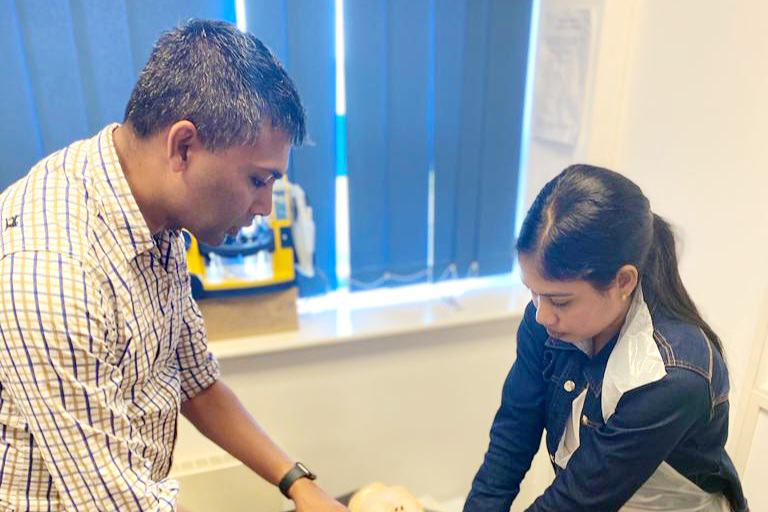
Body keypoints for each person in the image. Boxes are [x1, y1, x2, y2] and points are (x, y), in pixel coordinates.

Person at [0, 19, 347, 512]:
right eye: (257, 180)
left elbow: (194, 380)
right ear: (183, 147)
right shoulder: (54, 273)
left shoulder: (153, 210)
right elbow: (117, 504)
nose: (265, 207)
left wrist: (299, 484)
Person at [464, 165, 748, 511]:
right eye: (533, 292)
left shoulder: (672, 375)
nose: (541, 315)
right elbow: (512, 437)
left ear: (623, 281)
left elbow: (576, 500)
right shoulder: (545, 322)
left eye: (560, 301)